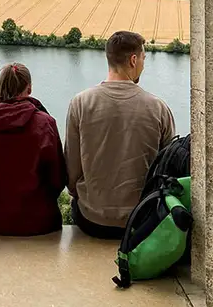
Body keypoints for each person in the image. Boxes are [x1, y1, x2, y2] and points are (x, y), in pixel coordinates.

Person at [64, 30, 174, 239]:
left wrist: (80, 194)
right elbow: (167, 168)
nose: (143, 64)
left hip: (91, 219)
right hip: (141, 221)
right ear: (133, 60)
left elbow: (72, 166)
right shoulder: (158, 108)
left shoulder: (80, 103)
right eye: (143, 58)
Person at [0, 62, 66, 236]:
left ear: (0, 87)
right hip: (39, 222)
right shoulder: (45, 123)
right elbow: (57, 179)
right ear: (29, 88)